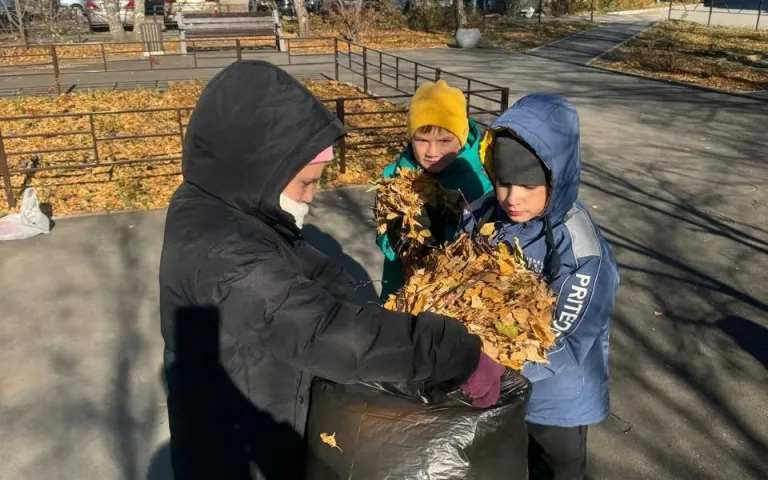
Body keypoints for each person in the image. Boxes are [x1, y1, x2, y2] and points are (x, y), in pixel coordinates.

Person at [158, 61, 505, 480]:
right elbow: (320, 329)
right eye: (306, 183)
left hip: (265, 414)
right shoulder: (224, 255)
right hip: (235, 454)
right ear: (260, 172)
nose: (314, 194)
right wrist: (449, 351)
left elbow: (322, 278)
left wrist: (388, 325)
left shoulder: (233, 209)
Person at [460, 94, 620, 480]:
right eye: (503, 182)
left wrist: (500, 366)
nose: (512, 199)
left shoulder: (580, 247)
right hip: (497, 391)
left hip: (559, 398)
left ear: (556, 176)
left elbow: (569, 332)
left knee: (557, 469)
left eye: (528, 185)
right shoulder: (483, 213)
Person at [376, 79, 493, 299]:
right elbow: (383, 238)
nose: (432, 151)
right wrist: (400, 236)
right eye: (422, 140)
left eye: (444, 141)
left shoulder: (479, 185)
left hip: (452, 294)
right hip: (401, 286)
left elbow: (487, 252)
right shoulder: (393, 177)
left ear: (461, 138)